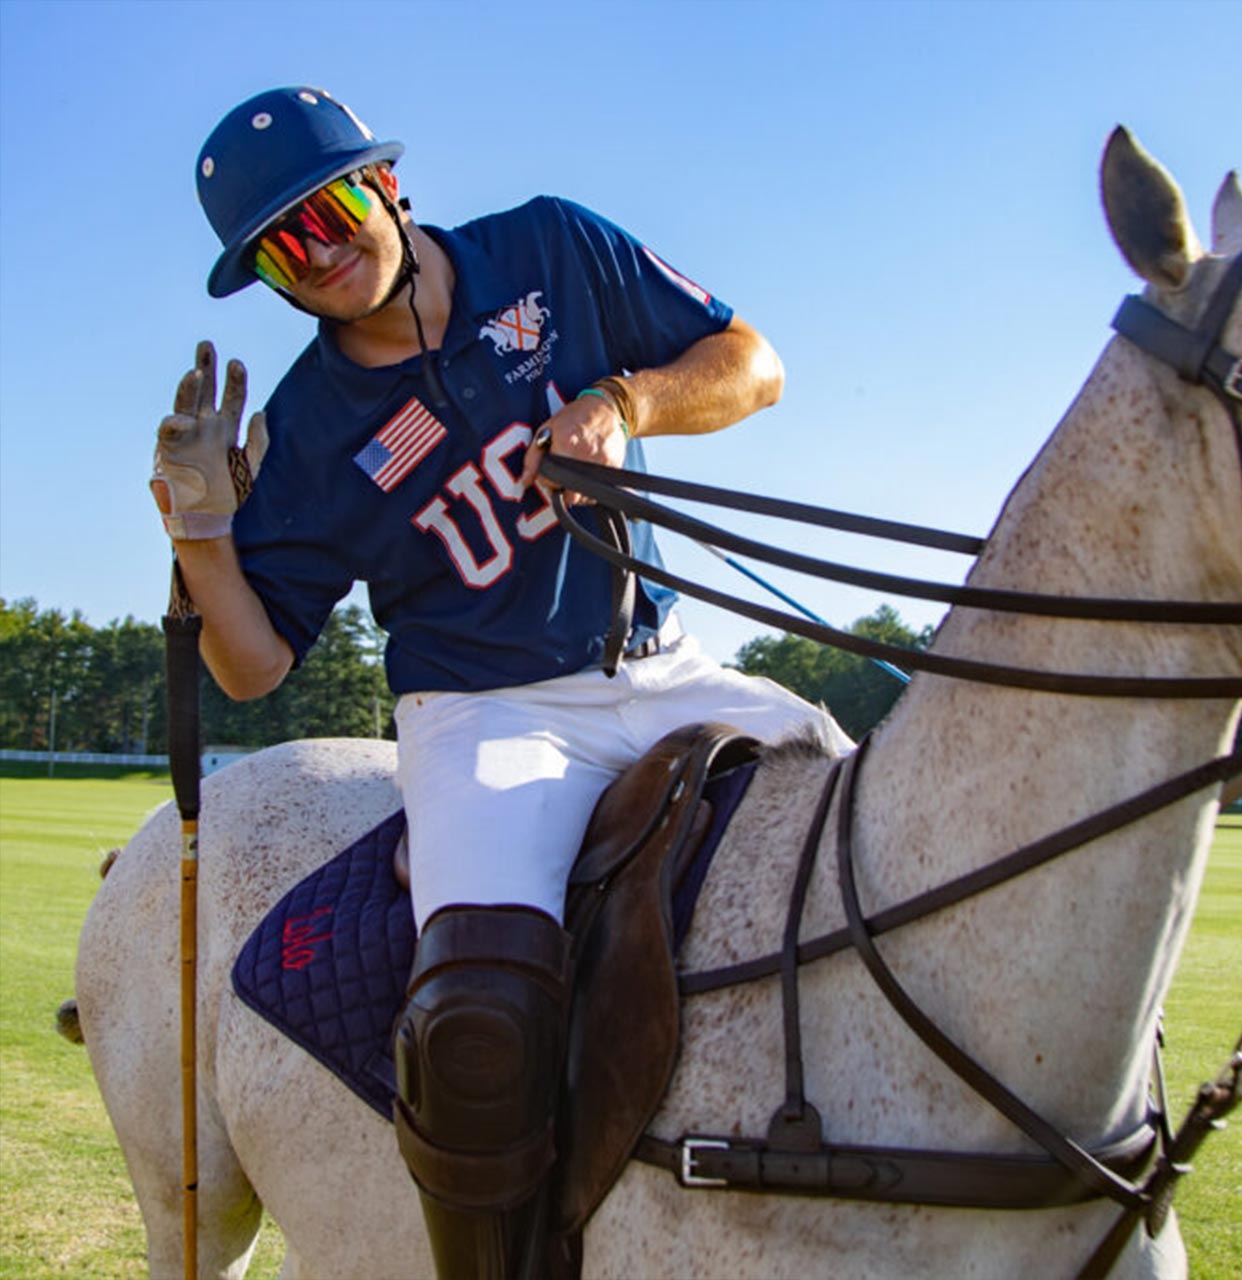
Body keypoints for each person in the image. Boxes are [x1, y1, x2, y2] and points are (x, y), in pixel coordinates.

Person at [151, 85, 849, 1279]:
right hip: (485, 714)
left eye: (328, 214)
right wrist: (201, 537)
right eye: (281, 246)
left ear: (387, 183)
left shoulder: (550, 245)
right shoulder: (310, 428)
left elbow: (753, 361)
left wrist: (624, 402)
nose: (317, 255)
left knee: (865, 827)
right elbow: (253, 666)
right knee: (476, 1014)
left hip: (661, 665)